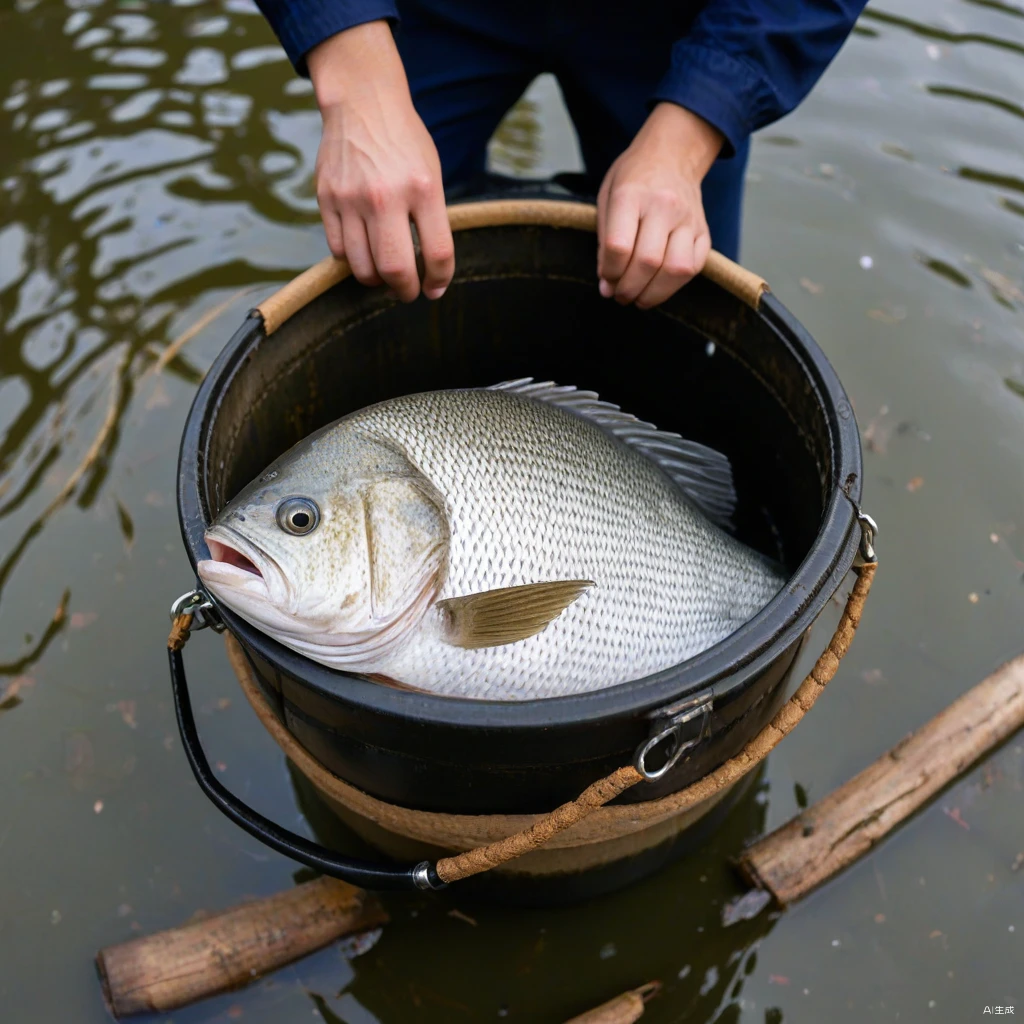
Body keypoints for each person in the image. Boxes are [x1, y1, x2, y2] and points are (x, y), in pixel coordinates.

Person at [254, 1, 866, 308]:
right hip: (429, 12)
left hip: (680, 20)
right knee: (383, 253)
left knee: (675, 283)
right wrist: (357, 85)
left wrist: (693, 128)